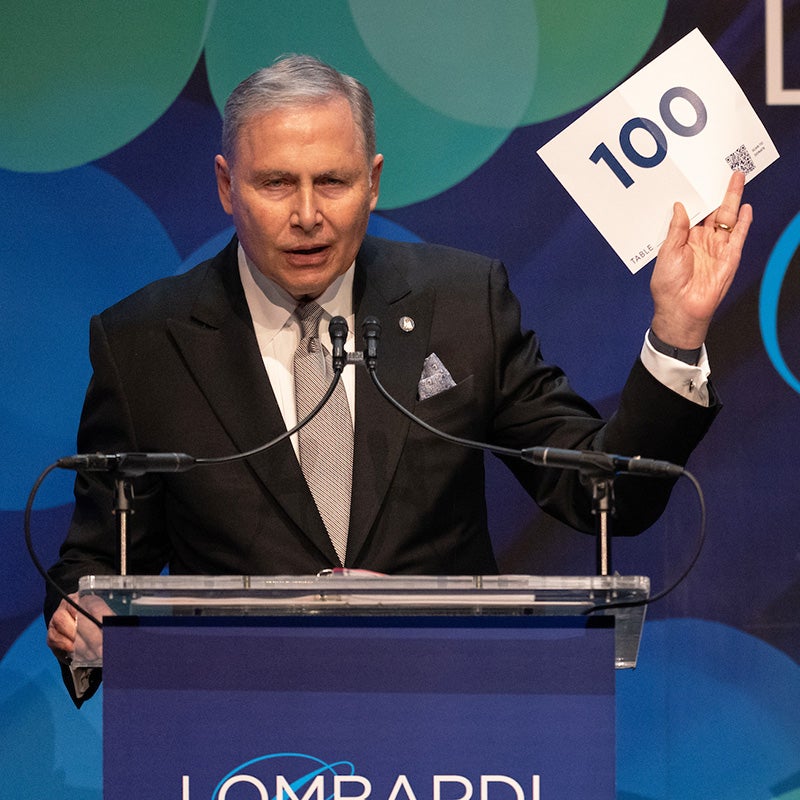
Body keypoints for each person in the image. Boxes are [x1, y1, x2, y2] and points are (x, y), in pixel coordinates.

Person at [45, 54, 752, 703]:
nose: (307, 216)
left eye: (333, 181)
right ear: (228, 186)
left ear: (374, 182)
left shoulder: (461, 303)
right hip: (234, 727)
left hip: (448, 723)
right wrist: (86, 619)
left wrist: (678, 330)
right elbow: (99, 562)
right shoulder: (144, 343)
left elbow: (606, 494)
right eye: (275, 184)